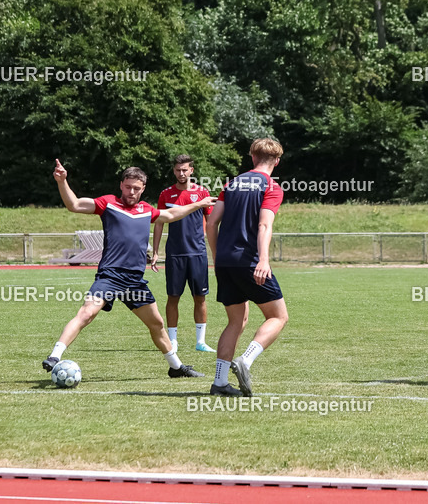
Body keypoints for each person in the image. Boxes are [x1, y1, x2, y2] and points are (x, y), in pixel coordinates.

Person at [42, 160, 215, 378]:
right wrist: (62, 181)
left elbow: (172, 215)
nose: (131, 192)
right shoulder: (109, 203)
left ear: (143, 189)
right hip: (110, 276)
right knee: (87, 313)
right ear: (121, 185)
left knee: (157, 324)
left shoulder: (146, 210)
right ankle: (54, 356)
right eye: (128, 187)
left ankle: (176, 367)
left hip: (134, 281)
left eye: (136, 188)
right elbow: (74, 204)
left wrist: (199, 204)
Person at [205, 138, 288, 397]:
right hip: (249, 260)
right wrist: (263, 259)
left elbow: (211, 223)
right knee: (278, 316)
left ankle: (219, 382)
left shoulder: (231, 184)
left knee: (236, 321)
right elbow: (264, 225)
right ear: (277, 161)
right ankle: (246, 359)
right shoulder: (271, 186)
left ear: (252, 157)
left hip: (225, 262)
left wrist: (217, 255)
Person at [150, 154, 215, 353]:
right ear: (174, 171)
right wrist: (155, 251)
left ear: (191, 170)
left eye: (185, 169)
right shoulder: (166, 194)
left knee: (200, 297)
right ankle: (173, 341)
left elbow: (211, 223)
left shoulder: (202, 193)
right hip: (175, 254)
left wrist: (216, 251)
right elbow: (159, 223)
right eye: (178, 170)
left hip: (197, 253)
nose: (181, 173)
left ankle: (201, 342)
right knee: (173, 297)